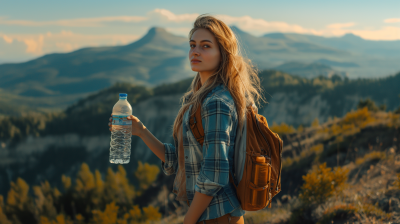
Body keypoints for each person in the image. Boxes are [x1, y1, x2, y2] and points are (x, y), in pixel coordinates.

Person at [109, 13, 266, 224]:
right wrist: (141, 131)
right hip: (212, 215)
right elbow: (178, 160)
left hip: (218, 216)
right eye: (193, 45)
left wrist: (187, 221)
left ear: (223, 53)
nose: (196, 51)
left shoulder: (216, 103)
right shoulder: (201, 99)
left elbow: (214, 174)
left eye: (205, 46)